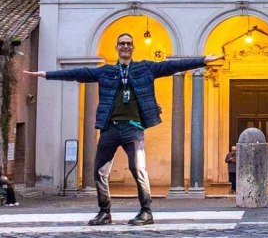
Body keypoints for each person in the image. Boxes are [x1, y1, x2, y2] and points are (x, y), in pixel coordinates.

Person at [22, 34, 219, 226]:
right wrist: (47, 75)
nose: (125, 46)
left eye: (128, 43)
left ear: (133, 48)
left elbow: (173, 66)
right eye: (121, 43)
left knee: (138, 169)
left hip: (133, 128)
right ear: (116, 48)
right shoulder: (106, 71)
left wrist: (202, 60)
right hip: (109, 128)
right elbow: (77, 73)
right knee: (99, 170)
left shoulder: (146, 68)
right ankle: (104, 212)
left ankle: (146, 211)